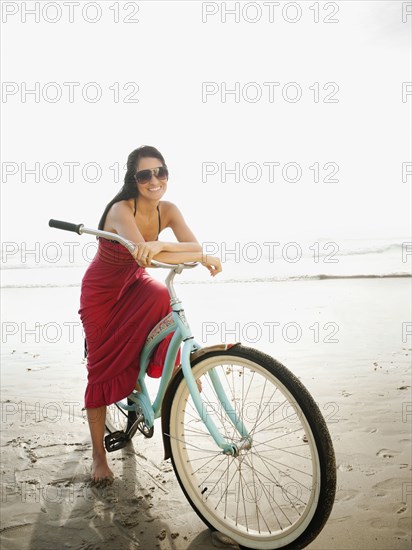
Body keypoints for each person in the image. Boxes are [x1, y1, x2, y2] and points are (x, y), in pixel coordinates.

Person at [78, 145, 222, 484]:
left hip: (135, 284)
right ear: (133, 179)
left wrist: (159, 245)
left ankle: (173, 367)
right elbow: (155, 256)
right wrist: (173, 251)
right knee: (99, 372)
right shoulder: (119, 210)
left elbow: (195, 248)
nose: (154, 180)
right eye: (145, 174)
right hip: (102, 296)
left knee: (160, 294)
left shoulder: (168, 210)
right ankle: (99, 456)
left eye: (161, 172)